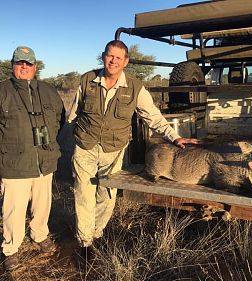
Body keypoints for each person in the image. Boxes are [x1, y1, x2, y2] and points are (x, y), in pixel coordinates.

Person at [66, 40, 200, 253]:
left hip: (114, 150)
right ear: (103, 56)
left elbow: (153, 117)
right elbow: (73, 114)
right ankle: (85, 242)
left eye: (119, 58)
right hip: (86, 147)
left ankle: (97, 232)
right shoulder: (88, 80)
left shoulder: (135, 87)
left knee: (107, 195)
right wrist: (70, 140)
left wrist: (175, 138)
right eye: (110, 56)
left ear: (126, 62)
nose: (113, 61)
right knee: (83, 194)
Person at [0, 46, 63, 271]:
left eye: (28, 63)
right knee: (13, 209)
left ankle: (39, 235)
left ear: (35, 66)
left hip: (44, 162)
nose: (24, 67)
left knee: (42, 204)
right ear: (12, 65)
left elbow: (60, 118)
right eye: (20, 63)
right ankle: (11, 248)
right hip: (14, 164)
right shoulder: (3, 91)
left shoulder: (48, 91)